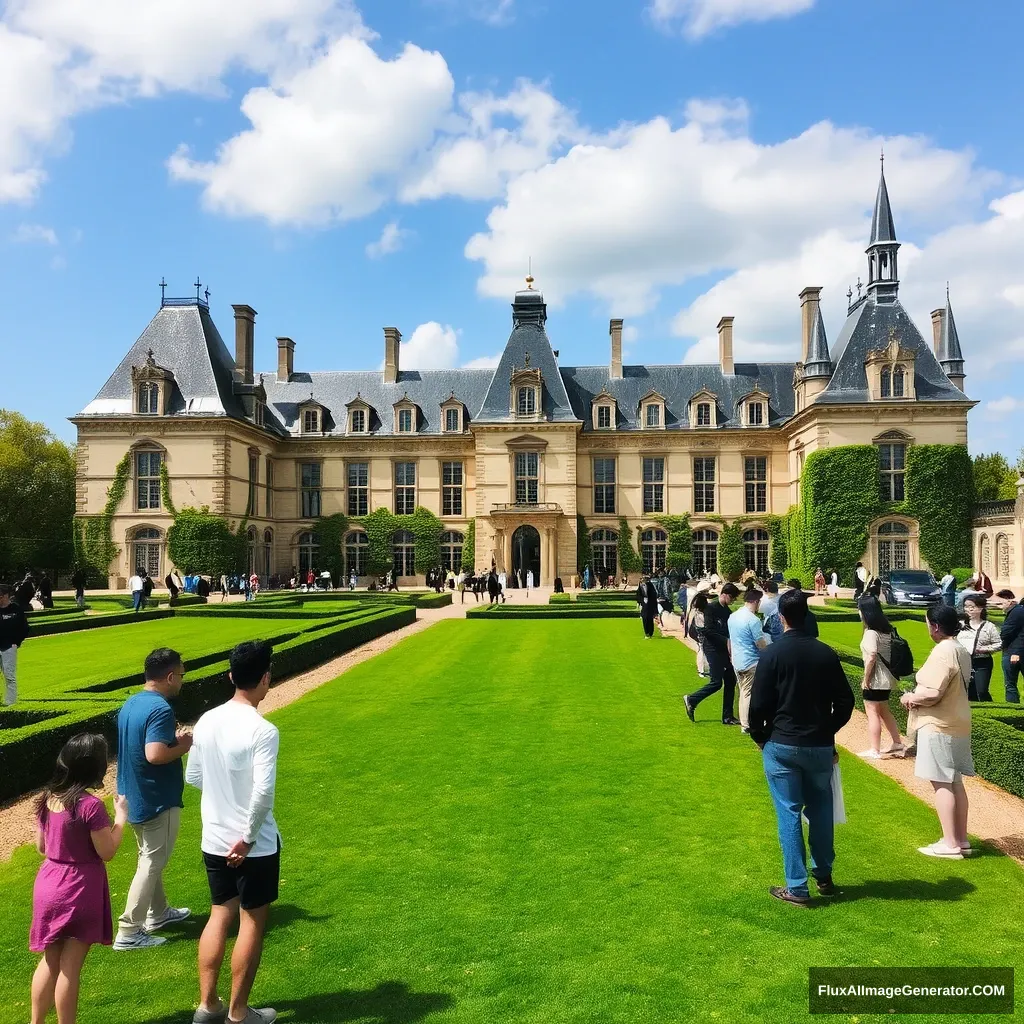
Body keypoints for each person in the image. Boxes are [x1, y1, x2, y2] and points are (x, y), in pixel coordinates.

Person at [186, 641, 281, 1024]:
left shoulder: (208, 719)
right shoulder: (263, 729)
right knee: (252, 923)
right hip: (249, 844)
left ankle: (208, 1005)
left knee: (219, 915)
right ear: (265, 679)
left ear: (230, 676)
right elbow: (262, 793)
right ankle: (239, 1014)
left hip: (213, 837)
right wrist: (247, 836)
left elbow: (193, 776)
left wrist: (223, 797)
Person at [748, 588, 855, 906]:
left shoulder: (772, 655)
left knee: (789, 813)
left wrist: (760, 737)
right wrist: (828, 729)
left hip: (782, 743)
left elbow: (758, 706)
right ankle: (823, 876)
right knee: (821, 810)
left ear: (781, 619)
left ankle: (797, 886)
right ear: (806, 617)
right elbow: (846, 701)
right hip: (818, 745)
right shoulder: (825, 653)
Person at [30, 734, 129, 1024]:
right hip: (79, 888)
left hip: (48, 882)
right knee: (69, 969)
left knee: (49, 962)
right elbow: (107, 851)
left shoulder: (48, 798)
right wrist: (120, 818)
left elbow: (41, 847)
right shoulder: (90, 806)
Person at [114, 648, 193, 951]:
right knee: (151, 861)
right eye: (181, 676)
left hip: (131, 793)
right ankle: (129, 930)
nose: (182, 682)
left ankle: (157, 913)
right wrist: (184, 745)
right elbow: (155, 754)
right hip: (156, 796)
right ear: (170, 676)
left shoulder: (132, 702)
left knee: (149, 856)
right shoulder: (160, 708)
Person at [900, 604, 975, 859]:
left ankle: (951, 843)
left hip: (940, 723)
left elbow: (932, 693)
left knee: (942, 782)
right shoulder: (959, 649)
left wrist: (911, 697)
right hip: (958, 720)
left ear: (934, 626)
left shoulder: (943, 651)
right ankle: (960, 839)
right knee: (954, 782)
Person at [683, 583, 741, 725]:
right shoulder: (711, 608)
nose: (733, 601)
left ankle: (727, 716)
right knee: (716, 682)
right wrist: (725, 640)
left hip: (723, 649)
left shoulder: (727, 612)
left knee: (730, 681)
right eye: (732, 598)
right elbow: (707, 630)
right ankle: (692, 699)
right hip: (713, 649)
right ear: (725, 594)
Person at [855, 596, 905, 759]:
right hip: (888, 678)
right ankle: (897, 742)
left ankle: (874, 749)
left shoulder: (871, 633)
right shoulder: (887, 630)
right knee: (884, 710)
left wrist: (866, 679)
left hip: (876, 679)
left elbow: (871, 657)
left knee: (872, 712)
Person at [728, 588, 766, 732]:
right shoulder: (753, 620)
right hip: (751, 661)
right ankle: (748, 724)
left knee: (743, 692)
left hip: (737, 660)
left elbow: (731, 639)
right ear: (756, 602)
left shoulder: (733, 616)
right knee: (749, 693)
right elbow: (760, 644)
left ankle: (745, 722)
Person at [957, 595, 1001, 702]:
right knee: (968, 691)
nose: (969, 609)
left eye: (972, 607)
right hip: (964, 661)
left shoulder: (989, 626)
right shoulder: (960, 625)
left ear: (981, 608)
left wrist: (985, 648)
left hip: (982, 661)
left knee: (982, 690)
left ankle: (989, 707)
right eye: (966, 606)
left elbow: (999, 644)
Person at [0, 584, 30, 705]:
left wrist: (16, 642)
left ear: (6, 596)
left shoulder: (16, 609)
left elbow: (25, 628)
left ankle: (10, 701)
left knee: (9, 675)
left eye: (1, 596)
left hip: (9, 646)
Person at [993, 589, 1024, 703]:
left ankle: (1014, 709)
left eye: (1001, 603)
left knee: (1010, 685)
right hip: (1015, 651)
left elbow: (1005, 633)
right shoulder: (1017, 611)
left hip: (1013, 653)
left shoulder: (1016, 613)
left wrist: (1015, 652)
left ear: (1009, 600)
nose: (1000, 607)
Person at [636, 574, 659, 639]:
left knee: (650, 619)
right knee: (644, 618)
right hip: (644, 604)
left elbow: (654, 595)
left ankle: (650, 632)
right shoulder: (640, 586)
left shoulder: (650, 585)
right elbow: (638, 594)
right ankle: (646, 633)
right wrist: (639, 602)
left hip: (650, 604)